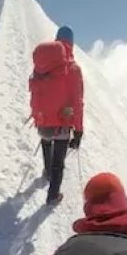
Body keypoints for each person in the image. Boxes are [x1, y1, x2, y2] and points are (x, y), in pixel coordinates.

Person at [28, 25, 84, 205]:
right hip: (63, 121)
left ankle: (47, 171)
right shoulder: (73, 69)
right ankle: (53, 195)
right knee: (59, 162)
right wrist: (78, 130)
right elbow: (77, 101)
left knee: (46, 143)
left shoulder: (41, 65)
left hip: (43, 118)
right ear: (72, 44)